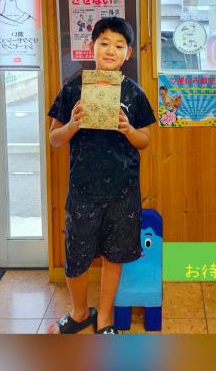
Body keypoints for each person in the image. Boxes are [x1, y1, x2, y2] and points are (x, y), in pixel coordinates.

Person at [47, 17, 156, 334]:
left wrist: (128, 129)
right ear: (91, 47)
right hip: (83, 190)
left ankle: (105, 318)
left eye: (119, 45)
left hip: (123, 191)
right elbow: (54, 138)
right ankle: (80, 313)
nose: (111, 50)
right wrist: (72, 124)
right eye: (104, 43)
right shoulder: (73, 88)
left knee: (114, 255)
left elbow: (145, 141)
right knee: (76, 255)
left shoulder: (134, 93)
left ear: (128, 53)